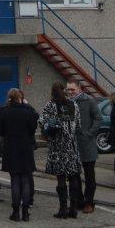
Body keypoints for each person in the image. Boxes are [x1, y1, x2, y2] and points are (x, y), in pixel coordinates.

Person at [41, 81, 82, 218]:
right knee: (73, 175)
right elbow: (78, 124)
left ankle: (63, 209)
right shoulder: (73, 104)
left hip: (57, 145)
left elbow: (42, 122)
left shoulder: (50, 105)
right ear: (64, 90)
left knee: (61, 178)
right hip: (71, 145)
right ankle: (74, 209)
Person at [0, 88, 38, 222]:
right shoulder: (27, 111)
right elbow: (33, 129)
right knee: (25, 179)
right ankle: (25, 212)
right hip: (25, 147)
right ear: (20, 97)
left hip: (11, 148)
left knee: (15, 180)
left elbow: (1, 131)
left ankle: (15, 212)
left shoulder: (4, 111)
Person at [68, 81, 102, 212]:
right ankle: (79, 200)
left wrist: (89, 133)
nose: (70, 92)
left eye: (72, 90)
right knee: (74, 175)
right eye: (68, 90)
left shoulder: (89, 101)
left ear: (79, 89)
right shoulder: (67, 102)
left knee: (89, 175)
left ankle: (89, 202)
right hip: (72, 143)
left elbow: (98, 118)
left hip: (86, 143)